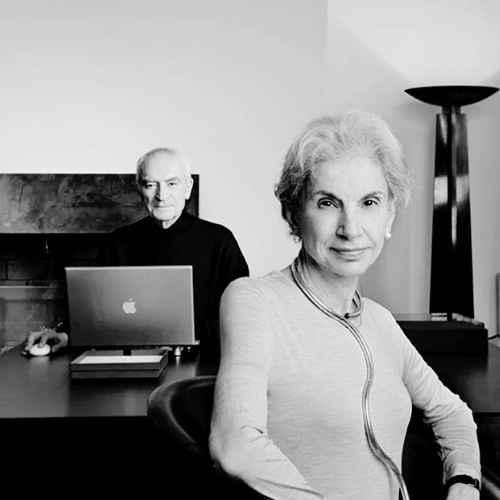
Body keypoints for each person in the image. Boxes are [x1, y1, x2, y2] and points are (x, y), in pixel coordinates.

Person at [209, 111, 481, 500]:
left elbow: (452, 413)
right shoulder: (255, 300)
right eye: (327, 202)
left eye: (369, 202)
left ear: (389, 214)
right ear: (293, 214)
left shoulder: (380, 321)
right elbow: (235, 445)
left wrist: (464, 479)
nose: (350, 228)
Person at [23, 147, 249, 354]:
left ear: (188, 187)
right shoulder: (117, 242)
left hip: (201, 359)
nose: (161, 195)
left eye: (172, 183)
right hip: (129, 358)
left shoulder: (220, 241)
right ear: (139, 189)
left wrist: (186, 336)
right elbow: (95, 311)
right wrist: (64, 334)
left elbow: (243, 315)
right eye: (151, 185)